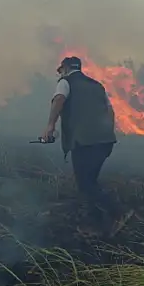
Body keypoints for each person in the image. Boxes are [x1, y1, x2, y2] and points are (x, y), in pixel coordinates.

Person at [40, 56, 118, 222]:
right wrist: (107, 132)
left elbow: (58, 100)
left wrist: (50, 126)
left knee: (84, 183)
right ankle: (97, 215)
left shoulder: (65, 82)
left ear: (66, 68)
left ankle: (110, 213)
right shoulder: (98, 86)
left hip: (84, 142)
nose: (60, 73)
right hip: (105, 141)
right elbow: (110, 112)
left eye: (61, 70)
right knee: (90, 179)